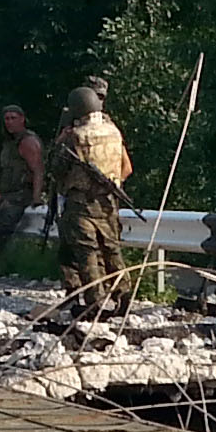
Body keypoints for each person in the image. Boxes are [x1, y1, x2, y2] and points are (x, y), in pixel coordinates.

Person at [47, 83, 132, 320]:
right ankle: (124, 291)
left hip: (81, 203)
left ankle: (96, 302)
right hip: (108, 200)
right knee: (112, 249)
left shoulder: (75, 136)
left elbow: (57, 168)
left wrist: (59, 143)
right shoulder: (113, 132)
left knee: (87, 253)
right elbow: (126, 167)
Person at [0, 103, 43, 273]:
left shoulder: (28, 141)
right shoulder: (10, 142)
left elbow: (38, 170)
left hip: (21, 194)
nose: (9, 122)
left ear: (22, 119)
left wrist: (36, 196)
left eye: (13, 118)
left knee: (0, 227)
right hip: (8, 193)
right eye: (7, 119)